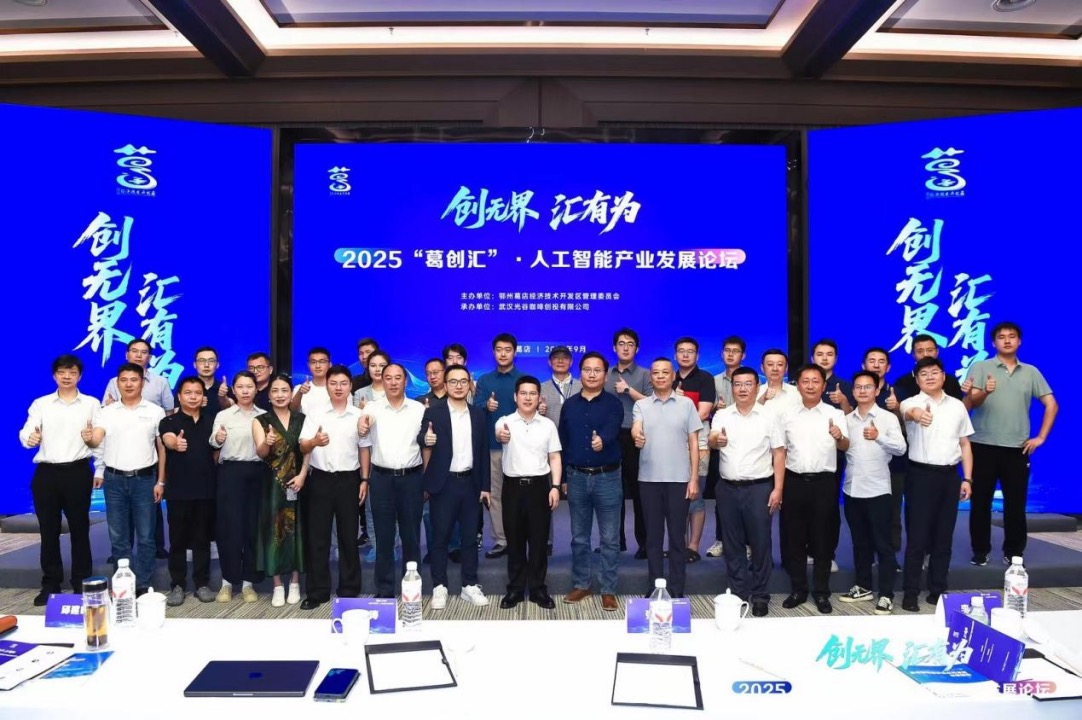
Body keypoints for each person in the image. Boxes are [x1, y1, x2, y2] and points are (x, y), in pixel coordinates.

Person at [965, 322, 1057, 566]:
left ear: (1019, 341)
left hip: (1017, 449)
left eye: (1012, 336)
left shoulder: (1031, 372)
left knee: (1016, 504)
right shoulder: (981, 367)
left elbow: (1051, 404)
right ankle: (980, 551)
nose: (1007, 340)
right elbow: (971, 403)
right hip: (982, 445)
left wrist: (1041, 437)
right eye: (1001, 337)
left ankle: (1014, 552)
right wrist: (985, 391)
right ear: (993, 342)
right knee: (980, 502)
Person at [19, 354, 100, 606]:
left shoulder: (91, 404)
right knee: (48, 531)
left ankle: (81, 582)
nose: (67, 377)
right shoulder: (41, 404)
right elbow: (27, 430)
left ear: (80, 376)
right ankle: (50, 584)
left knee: (80, 529)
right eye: (62, 372)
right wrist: (29, 439)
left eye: (72, 372)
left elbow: (99, 440)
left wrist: (98, 468)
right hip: (47, 474)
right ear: (55, 376)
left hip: (78, 472)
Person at [899, 356, 974, 612]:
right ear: (916, 379)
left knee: (944, 537)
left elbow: (964, 444)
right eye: (924, 374)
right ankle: (910, 592)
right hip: (920, 476)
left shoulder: (957, 406)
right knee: (917, 537)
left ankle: (938, 590)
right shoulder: (911, 402)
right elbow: (909, 413)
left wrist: (967, 478)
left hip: (950, 476)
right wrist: (917, 414)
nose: (930, 377)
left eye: (934, 372)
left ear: (943, 376)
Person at [709, 366, 785, 617]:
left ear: (757, 386)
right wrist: (716, 441)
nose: (742, 389)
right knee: (732, 544)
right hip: (727, 488)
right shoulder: (723, 415)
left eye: (748, 384)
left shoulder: (769, 416)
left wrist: (778, 489)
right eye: (737, 384)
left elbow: (779, 453)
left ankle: (761, 594)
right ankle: (739, 593)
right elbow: (712, 439)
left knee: (761, 543)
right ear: (732, 388)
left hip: (759, 488)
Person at [87, 363, 166, 595]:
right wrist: (89, 438)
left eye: (134, 379)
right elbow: (96, 440)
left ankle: (142, 584)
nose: (129, 384)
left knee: (146, 536)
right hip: (114, 480)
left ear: (142, 382)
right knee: (118, 537)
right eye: (124, 380)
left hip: (145, 480)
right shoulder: (106, 412)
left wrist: (161, 481)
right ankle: (124, 586)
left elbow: (162, 449)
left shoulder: (155, 411)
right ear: (117, 383)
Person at [777, 364, 849, 615]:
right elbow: (779, 451)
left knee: (823, 539)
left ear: (823, 385)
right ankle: (798, 590)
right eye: (805, 381)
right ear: (797, 385)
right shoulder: (786, 415)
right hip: (794, 482)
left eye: (815, 381)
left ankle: (821, 592)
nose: (810, 386)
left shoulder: (834, 414)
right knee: (794, 537)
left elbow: (845, 446)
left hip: (824, 484)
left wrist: (839, 436)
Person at [419, 364, 491, 609]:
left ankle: (469, 585)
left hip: (470, 483)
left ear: (469, 384)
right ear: (445, 384)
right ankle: (439, 586)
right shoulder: (434, 412)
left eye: (463, 381)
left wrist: (485, 486)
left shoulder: (478, 414)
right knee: (440, 537)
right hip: (444, 484)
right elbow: (421, 437)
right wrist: (426, 439)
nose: (458, 386)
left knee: (469, 538)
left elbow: (483, 452)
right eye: (453, 381)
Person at [559, 352, 623, 612]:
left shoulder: (614, 404)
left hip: (607, 477)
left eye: (597, 370)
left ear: (605, 375)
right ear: (580, 373)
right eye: (587, 369)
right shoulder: (569, 405)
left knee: (609, 538)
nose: (592, 374)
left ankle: (608, 589)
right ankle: (581, 584)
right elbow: (563, 442)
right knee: (579, 537)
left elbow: (613, 428)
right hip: (576, 477)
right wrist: (563, 478)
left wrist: (602, 440)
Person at [631, 358, 701, 598]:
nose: (660, 376)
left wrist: (694, 478)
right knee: (653, 538)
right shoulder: (641, 405)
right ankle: (654, 588)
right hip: (649, 480)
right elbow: (636, 428)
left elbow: (694, 443)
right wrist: (637, 436)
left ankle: (677, 590)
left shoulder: (686, 404)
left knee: (677, 538)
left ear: (673, 376)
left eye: (665, 372)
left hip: (679, 480)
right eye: (656, 373)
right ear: (650, 378)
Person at [299, 365, 366, 609]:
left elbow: (364, 449)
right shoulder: (316, 413)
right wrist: (314, 441)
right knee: (318, 538)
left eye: (343, 383)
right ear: (327, 386)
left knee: (348, 537)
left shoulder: (358, 415)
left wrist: (364, 480)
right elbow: (303, 446)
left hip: (349, 480)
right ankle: (317, 592)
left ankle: (349, 589)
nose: (338, 388)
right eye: (333, 383)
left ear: (350, 386)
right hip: (321, 480)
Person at [841, 370, 907, 615]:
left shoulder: (887, 418)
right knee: (859, 543)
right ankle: (863, 586)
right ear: (853, 391)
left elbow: (900, 449)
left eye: (868, 386)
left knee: (883, 544)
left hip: (878, 490)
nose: (862, 391)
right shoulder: (847, 419)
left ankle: (886, 594)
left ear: (877, 390)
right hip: (851, 490)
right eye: (858, 387)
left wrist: (879, 438)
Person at [495, 376, 562, 609]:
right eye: (523, 393)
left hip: (539, 487)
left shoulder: (548, 425)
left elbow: (555, 457)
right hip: (512, 488)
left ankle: (537, 589)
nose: (527, 397)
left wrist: (555, 487)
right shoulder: (505, 422)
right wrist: (501, 436)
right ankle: (514, 589)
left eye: (532, 393)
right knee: (514, 541)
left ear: (539, 397)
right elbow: (499, 434)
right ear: (515, 397)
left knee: (539, 541)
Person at [360, 362, 426, 598]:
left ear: (405, 381)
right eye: (388, 378)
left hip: (411, 478)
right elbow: (363, 434)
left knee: (411, 536)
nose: (393, 382)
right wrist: (361, 425)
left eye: (398, 378)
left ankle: (413, 589)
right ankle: (384, 590)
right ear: (382, 380)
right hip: (381, 479)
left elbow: (426, 444)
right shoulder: (372, 408)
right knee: (384, 537)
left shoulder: (419, 409)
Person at [102, 338, 172, 561]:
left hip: (152, 444)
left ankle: (156, 547)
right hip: (122, 446)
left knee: (150, 504)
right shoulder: (114, 382)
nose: (139, 355)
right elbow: (107, 410)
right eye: (134, 351)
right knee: (121, 512)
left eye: (144, 352)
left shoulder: (160, 382)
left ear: (149, 357)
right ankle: (122, 554)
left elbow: (169, 412)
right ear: (127, 354)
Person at [158, 376, 218, 606]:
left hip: (206, 490)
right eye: (188, 393)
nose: (193, 397)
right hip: (178, 492)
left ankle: (202, 583)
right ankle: (177, 585)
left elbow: (216, 452)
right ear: (179, 396)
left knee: (202, 540)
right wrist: (175, 443)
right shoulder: (169, 422)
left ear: (203, 397)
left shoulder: (211, 421)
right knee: (178, 541)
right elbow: (168, 439)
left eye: (197, 393)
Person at [209, 370, 266, 603]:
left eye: (249, 386)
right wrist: (219, 439)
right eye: (240, 387)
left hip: (257, 473)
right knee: (229, 529)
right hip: (230, 473)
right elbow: (213, 441)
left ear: (256, 389)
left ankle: (248, 583)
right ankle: (227, 582)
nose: (245, 391)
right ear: (234, 390)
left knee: (253, 528)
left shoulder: (264, 415)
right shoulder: (224, 415)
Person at [254, 375, 307, 607]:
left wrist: (303, 475)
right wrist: (267, 442)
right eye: (275, 391)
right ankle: (277, 585)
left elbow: (308, 451)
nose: (280, 395)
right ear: (268, 395)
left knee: (297, 530)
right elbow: (260, 453)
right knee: (273, 531)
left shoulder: (302, 419)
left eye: (284, 390)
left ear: (291, 393)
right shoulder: (260, 420)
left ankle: (295, 582)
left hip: (299, 482)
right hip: (272, 485)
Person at [475, 333, 523, 559]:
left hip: (520, 449)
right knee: (495, 496)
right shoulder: (485, 381)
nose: (503, 354)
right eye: (499, 350)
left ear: (515, 352)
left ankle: (521, 538)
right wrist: (486, 405)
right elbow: (475, 410)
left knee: (520, 496)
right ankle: (501, 540)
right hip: (493, 448)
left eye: (507, 349)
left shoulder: (523, 379)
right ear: (493, 352)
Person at [604, 328, 652, 559]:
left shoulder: (645, 374)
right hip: (610, 438)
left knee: (640, 492)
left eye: (630, 344)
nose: (625, 347)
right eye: (621, 343)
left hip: (636, 437)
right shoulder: (605, 374)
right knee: (613, 492)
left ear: (637, 348)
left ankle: (644, 543)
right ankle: (616, 541)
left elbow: (653, 403)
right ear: (614, 348)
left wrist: (629, 390)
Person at [672, 337, 716, 564]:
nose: (685, 355)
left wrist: (680, 404)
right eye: (681, 351)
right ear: (675, 355)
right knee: (675, 498)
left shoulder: (705, 378)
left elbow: (704, 413)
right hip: (671, 444)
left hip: (699, 443)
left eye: (690, 351)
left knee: (695, 496)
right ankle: (677, 545)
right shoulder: (669, 377)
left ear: (697, 356)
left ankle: (693, 546)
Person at [812, 339, 854, 573]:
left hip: (833, 456)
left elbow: (853, 419)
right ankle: (808, 550)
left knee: (828, 508)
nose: (824, 358)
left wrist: (844, 402)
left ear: (836, 359)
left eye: (829, 354)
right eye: (820, 354)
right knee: (804, 509)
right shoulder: (801, 383)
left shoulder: (845, 386)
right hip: (804, 456)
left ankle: (829, 554)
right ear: (813, 358)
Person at [863, 347, 908, 552]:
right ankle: (867, 555)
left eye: (881, 361)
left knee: (892, 511)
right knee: (865, 512)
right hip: (864, 463)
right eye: (871, 361)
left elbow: (910, 429)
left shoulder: (899, 393)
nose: (876, 365)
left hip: (894, 464)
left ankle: (890, 555)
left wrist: (897, 409)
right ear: (863, 365)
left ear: (888, 367)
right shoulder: (857, 391)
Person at [706, 335, 747, 559]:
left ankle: (747, 543)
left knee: (749, 499)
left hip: (748, 447)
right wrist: (716, 408)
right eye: (727, 350)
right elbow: (705, 411)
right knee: (722, 496)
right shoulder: (713, 381)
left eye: (735, 351)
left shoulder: (752, 381)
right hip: (721, 445)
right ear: (722, 354)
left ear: (743, 355)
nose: (731, 354)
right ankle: (721, 539)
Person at [893, 334, 965, 403]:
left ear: (937, 352)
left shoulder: (951, 381)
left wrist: (968, 395)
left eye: (930, 350)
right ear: (913, 354)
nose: (925, 354)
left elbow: (959, 407)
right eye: (920, 351)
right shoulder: (902, 382)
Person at [539, 346, 581, 428]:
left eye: (565, 358)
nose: (560, 361)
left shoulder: (581, 386)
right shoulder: (541, 388)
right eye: (556, 358)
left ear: (571, 362)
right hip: (550, 433)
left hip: (576, 433)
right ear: (549, 362)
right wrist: (538, 411)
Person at [191, 346, 233, 416]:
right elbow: (177, 416)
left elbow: (232, 412)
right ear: (194, 365)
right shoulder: (186, 389)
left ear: (217, 365)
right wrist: (193, 405)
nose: (206, 365)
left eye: (211, 361)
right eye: (202, 361)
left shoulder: (225, 389)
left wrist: (222, 397)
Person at [291, 347, 332, 415]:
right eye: (313, 362)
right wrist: (300, 393)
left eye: (322, 362)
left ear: (330, 364)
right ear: (308, 365)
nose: (317, 366)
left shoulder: (337, 389)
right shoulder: (299, 389)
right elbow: (292, 412)